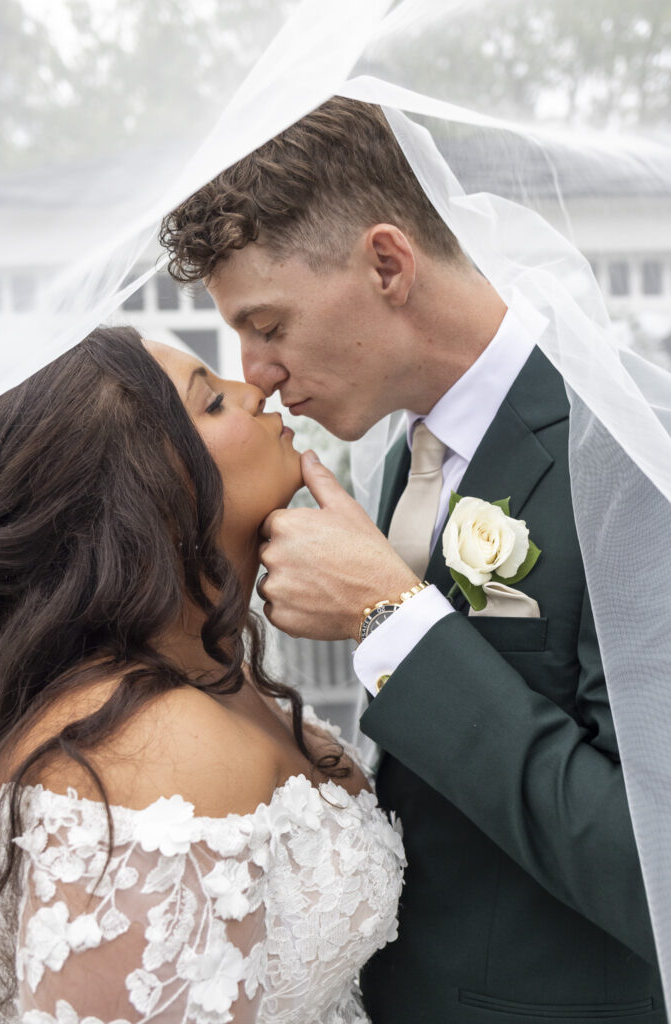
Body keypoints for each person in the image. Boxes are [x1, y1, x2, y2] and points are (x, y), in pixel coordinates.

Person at [160, 97, 666, 1023]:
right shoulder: (403, 456)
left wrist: (390, 619)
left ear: (387, 264)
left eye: (267, 323)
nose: (254, 370)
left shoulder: (626, 453)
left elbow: (652, 866)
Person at [0, 326, 405, 1024]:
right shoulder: (153, 748)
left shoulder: (212, 686)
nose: (255, 390)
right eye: (211, 401)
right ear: (143, 490)